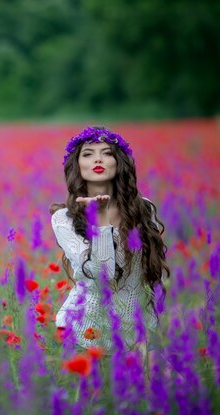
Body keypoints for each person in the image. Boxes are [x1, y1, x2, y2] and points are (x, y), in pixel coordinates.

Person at [50, 126, 170, 358]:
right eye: (88, 154)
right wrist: (102, 220)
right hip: (85, 332)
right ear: (78, 166)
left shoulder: (143, 209)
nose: (98, 159)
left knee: (168, 387)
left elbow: (146, 273)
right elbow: (103, 276)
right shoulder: (64, 219)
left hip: (138, 329)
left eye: (106, 153)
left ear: (119, 162)